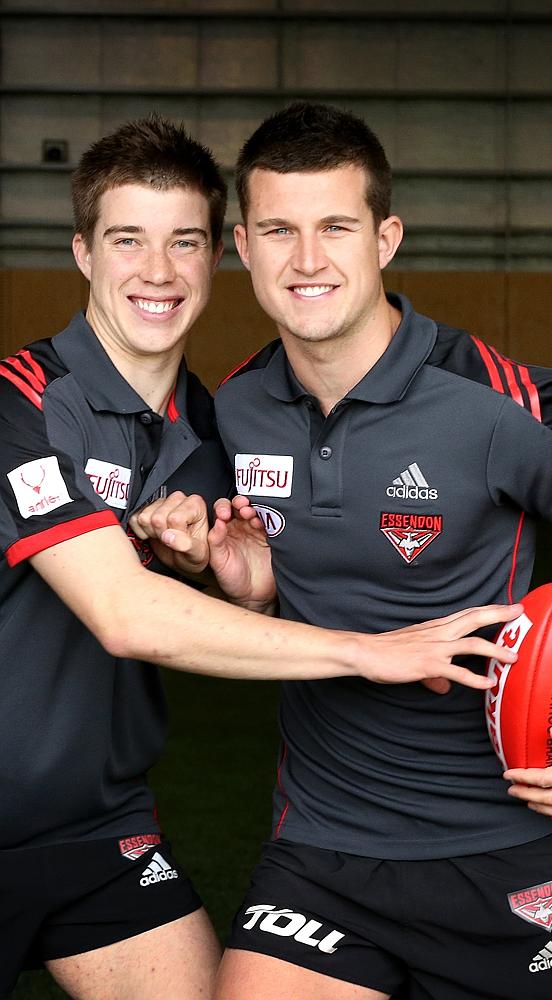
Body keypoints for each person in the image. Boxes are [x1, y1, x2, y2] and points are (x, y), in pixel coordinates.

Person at [0, 114, 523, 1000]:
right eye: (129, 240)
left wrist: (236, 579)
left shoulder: (215, 435)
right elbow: (125, 616)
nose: (158, 273)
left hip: (96, 829)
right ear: (85, 252)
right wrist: (370, 648)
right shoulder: (21, 402)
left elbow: (249, 602)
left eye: (186, 243)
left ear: (220, 258)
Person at [154, 102, 552, 999]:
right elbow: (277, 584)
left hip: (503, 845)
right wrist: (247, 586)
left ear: (385, 238)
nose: (307, 260)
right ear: (240, 246)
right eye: (279, 229)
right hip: (322, 852)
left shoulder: (503, 401)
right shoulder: (239, 405)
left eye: (335, 227)